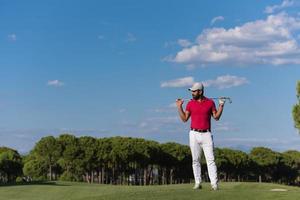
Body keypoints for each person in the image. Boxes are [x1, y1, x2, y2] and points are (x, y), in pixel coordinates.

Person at [175, 82, 225, 190]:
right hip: (194, 134)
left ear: (200, 91)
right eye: (192, 91)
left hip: (206, 134)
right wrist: (179, 107)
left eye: (194, 91)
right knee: (195, 160)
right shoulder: (190, 103)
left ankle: (214, 184)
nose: (192, 93)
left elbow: (216, 117)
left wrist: (221, 105)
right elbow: (184, 119)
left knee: (210, 160)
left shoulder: (210, 102)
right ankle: (198, 183)